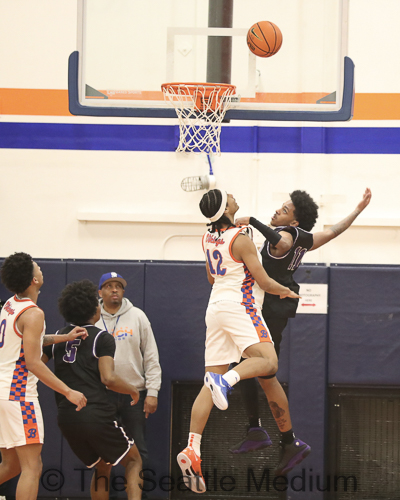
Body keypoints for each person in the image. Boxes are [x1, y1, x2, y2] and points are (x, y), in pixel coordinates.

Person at [177, 189, 309, 494]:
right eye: (230, 196)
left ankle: (192, 448)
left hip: (215, 307)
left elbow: (212, 277)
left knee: (209, 380)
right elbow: (263, 281)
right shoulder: (241, 238)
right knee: (269, 361)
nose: (235, 196)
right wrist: (285, 291)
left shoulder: (207, 238)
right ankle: (230, 381)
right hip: (241, 304)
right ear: (226, 208)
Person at [231, 188, 372, 456]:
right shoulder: (304, 238)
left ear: (294, 222)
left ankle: (263, 433)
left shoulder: (286, 236)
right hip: (276, 307)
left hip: (271, 307)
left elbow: (282, 244)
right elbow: (334, 232)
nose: (277, 211)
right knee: (257, 372)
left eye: (284, 211)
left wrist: (253, 221)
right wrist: (358, 210)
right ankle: (280, 439)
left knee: (252, 369)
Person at [42, 279, 143, 500]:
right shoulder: (101, 337)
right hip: (95, 412)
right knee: (134, 461)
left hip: (67, 416)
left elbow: (36, 363)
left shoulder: (58, 336)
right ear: (93, 309)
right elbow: (108, 378)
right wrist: (133, 390)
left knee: (103, 466)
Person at [0, 252, 87, 500]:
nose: (40, 268)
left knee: (11, 466)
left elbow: (29, 343)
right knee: (32, 467)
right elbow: (33, 362)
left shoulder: (10, 305)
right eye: (36, 266)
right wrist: (67, 391)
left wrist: (64, 337)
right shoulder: (34, 313)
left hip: (3, 394)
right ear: (33, 280)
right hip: (19, 397)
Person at [95, 272, 161, 475]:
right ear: (100, 292)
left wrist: (152, 392)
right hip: (102, 395)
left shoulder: (138, 316)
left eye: (118, 286)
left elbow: (151, 356)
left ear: (123, 291)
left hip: (134, 395)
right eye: (108, 285)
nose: (114, 289)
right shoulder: (92, 318)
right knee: (104, 454)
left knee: (139, 450)